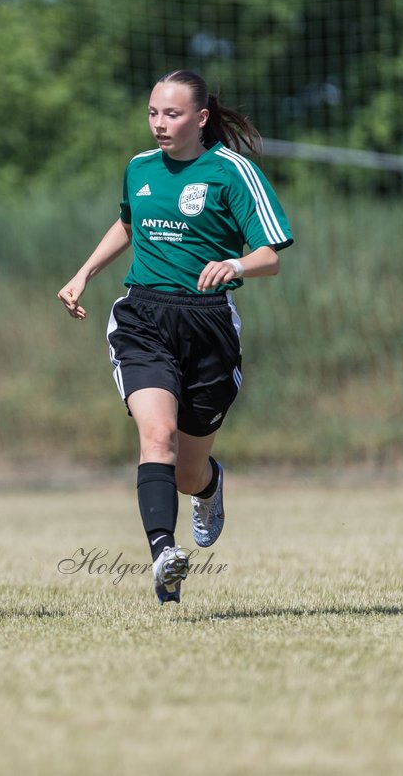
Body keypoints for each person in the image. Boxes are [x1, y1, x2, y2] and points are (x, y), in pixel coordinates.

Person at [56, 69, 293, 604]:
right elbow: (127, 223)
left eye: (173, 114)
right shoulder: (139, 168)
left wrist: (235, 264)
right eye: (153, 113)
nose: (160, 124)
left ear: (201, 118)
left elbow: (270, 256)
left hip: (208, 326)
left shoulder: (232, 172)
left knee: (187, 471)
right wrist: (83, 274)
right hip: (144, 317)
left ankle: (208, 488)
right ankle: (164, 554)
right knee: (156, 438)